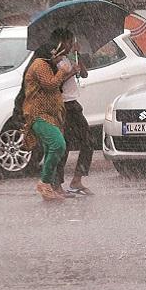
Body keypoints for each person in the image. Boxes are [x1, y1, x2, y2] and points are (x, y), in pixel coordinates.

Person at [21, 43, 74, 201]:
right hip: (39, 114)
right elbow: (50, 85)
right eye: (58, 55)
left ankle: (48, 187)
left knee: (52, 148)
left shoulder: (47, 65)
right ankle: (45, 183)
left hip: (50, 114)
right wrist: (63, 71)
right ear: (51, 54)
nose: (60, 59)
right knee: (58, 145)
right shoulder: (40, 65)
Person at [52, 29, 94, 196]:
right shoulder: (54, 60)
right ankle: (57, 184)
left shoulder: (68, 58)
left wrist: (79, 57)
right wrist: (71, 72)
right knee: (65, 145)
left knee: (87, 141)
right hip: (63, 106)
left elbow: (84, 74)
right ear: (62, 42)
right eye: (69, 42)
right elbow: (54, 84)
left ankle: (76, 180)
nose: (71, 45)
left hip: (73, 104)